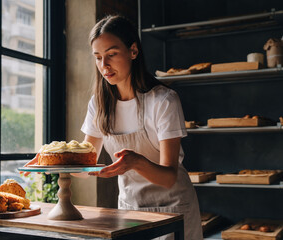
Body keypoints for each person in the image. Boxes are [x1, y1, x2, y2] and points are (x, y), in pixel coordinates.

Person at [25, 15, 203, 240]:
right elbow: (86, 165)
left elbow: (168, 177)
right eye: (98, 57)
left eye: (111, 54)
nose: (103, 65)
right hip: (129, 209)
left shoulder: (164, 100)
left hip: (173, 209)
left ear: (133, 51)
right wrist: (52, 160)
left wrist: (135, 162)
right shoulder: (99, 104)